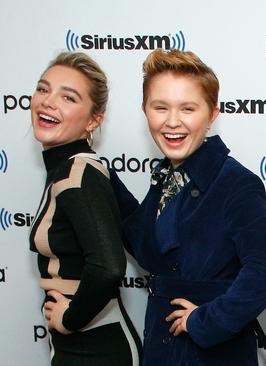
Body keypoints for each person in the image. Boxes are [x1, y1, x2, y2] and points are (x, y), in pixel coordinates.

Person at [109, 49, 266, 366]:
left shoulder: (235, 183)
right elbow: (149, 250)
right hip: (163, 348)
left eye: (188, 109)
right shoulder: (169, 176)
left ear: (212, 113)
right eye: (160, 107)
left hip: (211, 354)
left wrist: (205, 321)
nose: (172, 121)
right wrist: (103, 178)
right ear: (144, 110)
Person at [29, 52, 141, 365]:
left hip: (96, 349)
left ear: (94, 119)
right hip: (80, 344)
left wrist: (70, 319)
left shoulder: (78, 172)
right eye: (43, 89)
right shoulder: (65, 168)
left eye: (68, 97)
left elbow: (108, 266)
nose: (49, 102)